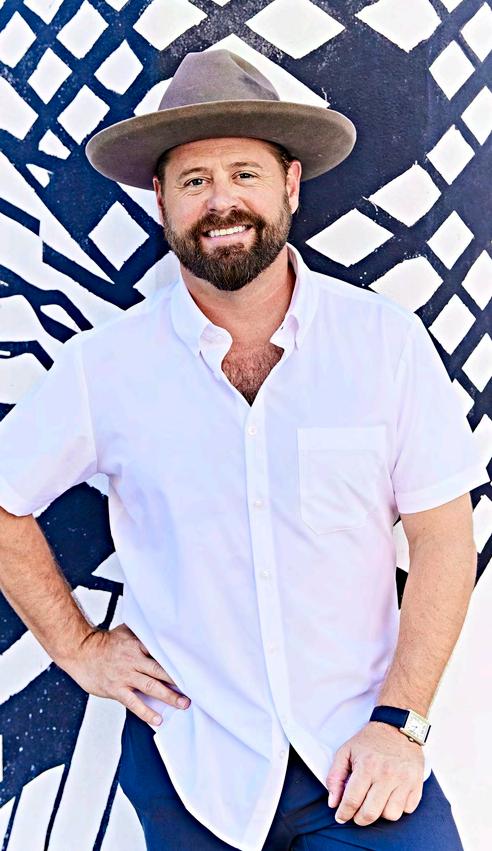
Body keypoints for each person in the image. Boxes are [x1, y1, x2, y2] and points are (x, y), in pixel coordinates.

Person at [0, 49, 488, 851]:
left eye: (244, 174)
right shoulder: (104, 368)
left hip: (362, 755)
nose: (221, 200)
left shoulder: (384, 344)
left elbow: (444, 537)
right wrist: (78, 646)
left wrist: (402, 722)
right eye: (194, 180)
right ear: (160, 199)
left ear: (290, 184)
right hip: (194, 768)